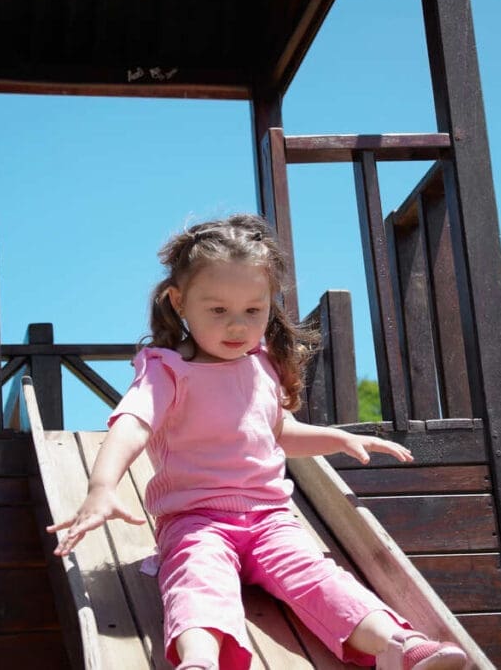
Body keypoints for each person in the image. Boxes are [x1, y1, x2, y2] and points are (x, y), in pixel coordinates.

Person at [47, 214, 468, 670]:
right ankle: (200, 662)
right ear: (179, 302)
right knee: (197, 582)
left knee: (320, 578)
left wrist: (335, 437)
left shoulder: (261, 364)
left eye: (253, 310)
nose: (237, 326)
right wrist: (102, 487)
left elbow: (276, 432)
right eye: (218, 310)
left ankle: (397, 646)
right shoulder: (167, 370)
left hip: (271, 519)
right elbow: (132, 423)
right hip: (196, 521)